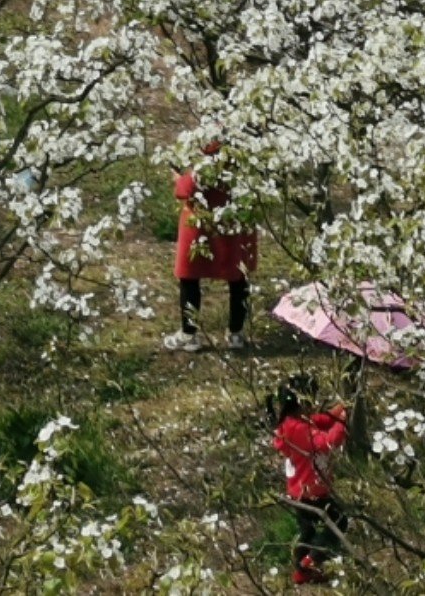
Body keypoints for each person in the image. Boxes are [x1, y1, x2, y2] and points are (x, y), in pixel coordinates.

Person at [164, 148, 258, 353]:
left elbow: (185, 190)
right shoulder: (245, 156)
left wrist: (179, 178)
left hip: (201, 230)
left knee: (190, 279)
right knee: (238, 279)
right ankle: (236, 332)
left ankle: (189, 334)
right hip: (235, 227)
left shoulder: (204, 161)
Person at [271, 383, 347, 585]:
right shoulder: (301, 429)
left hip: (298, 492)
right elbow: (329, 442)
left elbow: (320, 421)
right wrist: (341, 422)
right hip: (313, 492)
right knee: (339, 521)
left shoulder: (289, 424)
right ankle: (309, 562)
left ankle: (301, 572)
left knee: (308, 531)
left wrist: (336, 412)